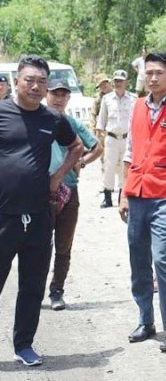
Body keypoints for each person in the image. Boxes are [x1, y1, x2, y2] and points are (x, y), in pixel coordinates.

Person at [0, 55, 84, 366]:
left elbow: (76, 147)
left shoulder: (53, 119)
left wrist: (58, 176)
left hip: (38, 217)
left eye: (41, 82)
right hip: (3, 216)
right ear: (15, 82)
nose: (36, 86)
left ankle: (24, 345)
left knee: (32, 286)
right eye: (29, 80)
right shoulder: (2, 113)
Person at [119, 51, 166, 353]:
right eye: (148, 73)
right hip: (137, 195)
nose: (152, 78)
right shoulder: (137, 107)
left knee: (162, 260)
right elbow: (129, 152)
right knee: (138, 261)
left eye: (159, 73)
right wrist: (124, 193)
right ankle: (145, 320)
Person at [45, 79, 104, 311]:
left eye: (64, 95)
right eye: (55, 94)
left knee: (63, 245)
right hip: (40, 192)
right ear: (46, 95)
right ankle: (32, 290)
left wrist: (81, 162)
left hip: (69, 190)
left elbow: (97, 147)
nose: (59, 99)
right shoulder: (36, 121)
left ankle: (57, 291)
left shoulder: (72, 123)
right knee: (38, 244)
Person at [96, 69, 136, 208]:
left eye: (121, 81)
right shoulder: (107, 99)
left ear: (126, 83)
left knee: (124, 168)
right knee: (108, 167)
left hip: (127, 139)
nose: (118, 83)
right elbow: (101, 120)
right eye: (116, 80)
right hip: (111, 138)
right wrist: (98, 140)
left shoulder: (133, 99)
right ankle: (107, 197)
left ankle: (122, 197)